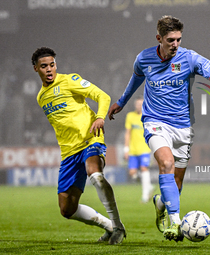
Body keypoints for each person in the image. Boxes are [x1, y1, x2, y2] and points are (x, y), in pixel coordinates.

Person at [108, 15, 210, 242]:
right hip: (155, 121)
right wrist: (122, 102)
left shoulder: (190, 58)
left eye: (178, 39)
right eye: (170, 40)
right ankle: (175, 222)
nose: (175, 44)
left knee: (176, 182)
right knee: (166, 164)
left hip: (183, 126)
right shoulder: (143, 58)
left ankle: (161, 203)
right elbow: (135, 80)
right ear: (159, 38)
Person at [32, 47, 126, 245]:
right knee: (67, 209)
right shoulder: (41, 96)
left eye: (52, 65)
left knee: (95, 174)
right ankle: (108, 226)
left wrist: (100, 117)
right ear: (36, 69)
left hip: (90, 138)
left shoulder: (70, 80)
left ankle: (118, 226)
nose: (49, 69)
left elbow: (103, 96)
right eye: (44, 66)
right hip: (68, 152)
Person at [124, 96, 154, 203]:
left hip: (145, 149)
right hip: (133, 150)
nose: (139, 106)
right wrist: (126, 149)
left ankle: (145, 196)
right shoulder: (130, 116)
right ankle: (149, 186)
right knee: (133, 173)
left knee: (144, 169)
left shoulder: (148, 116)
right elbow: (127, 133)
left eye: (141, 104)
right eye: (137, 104)